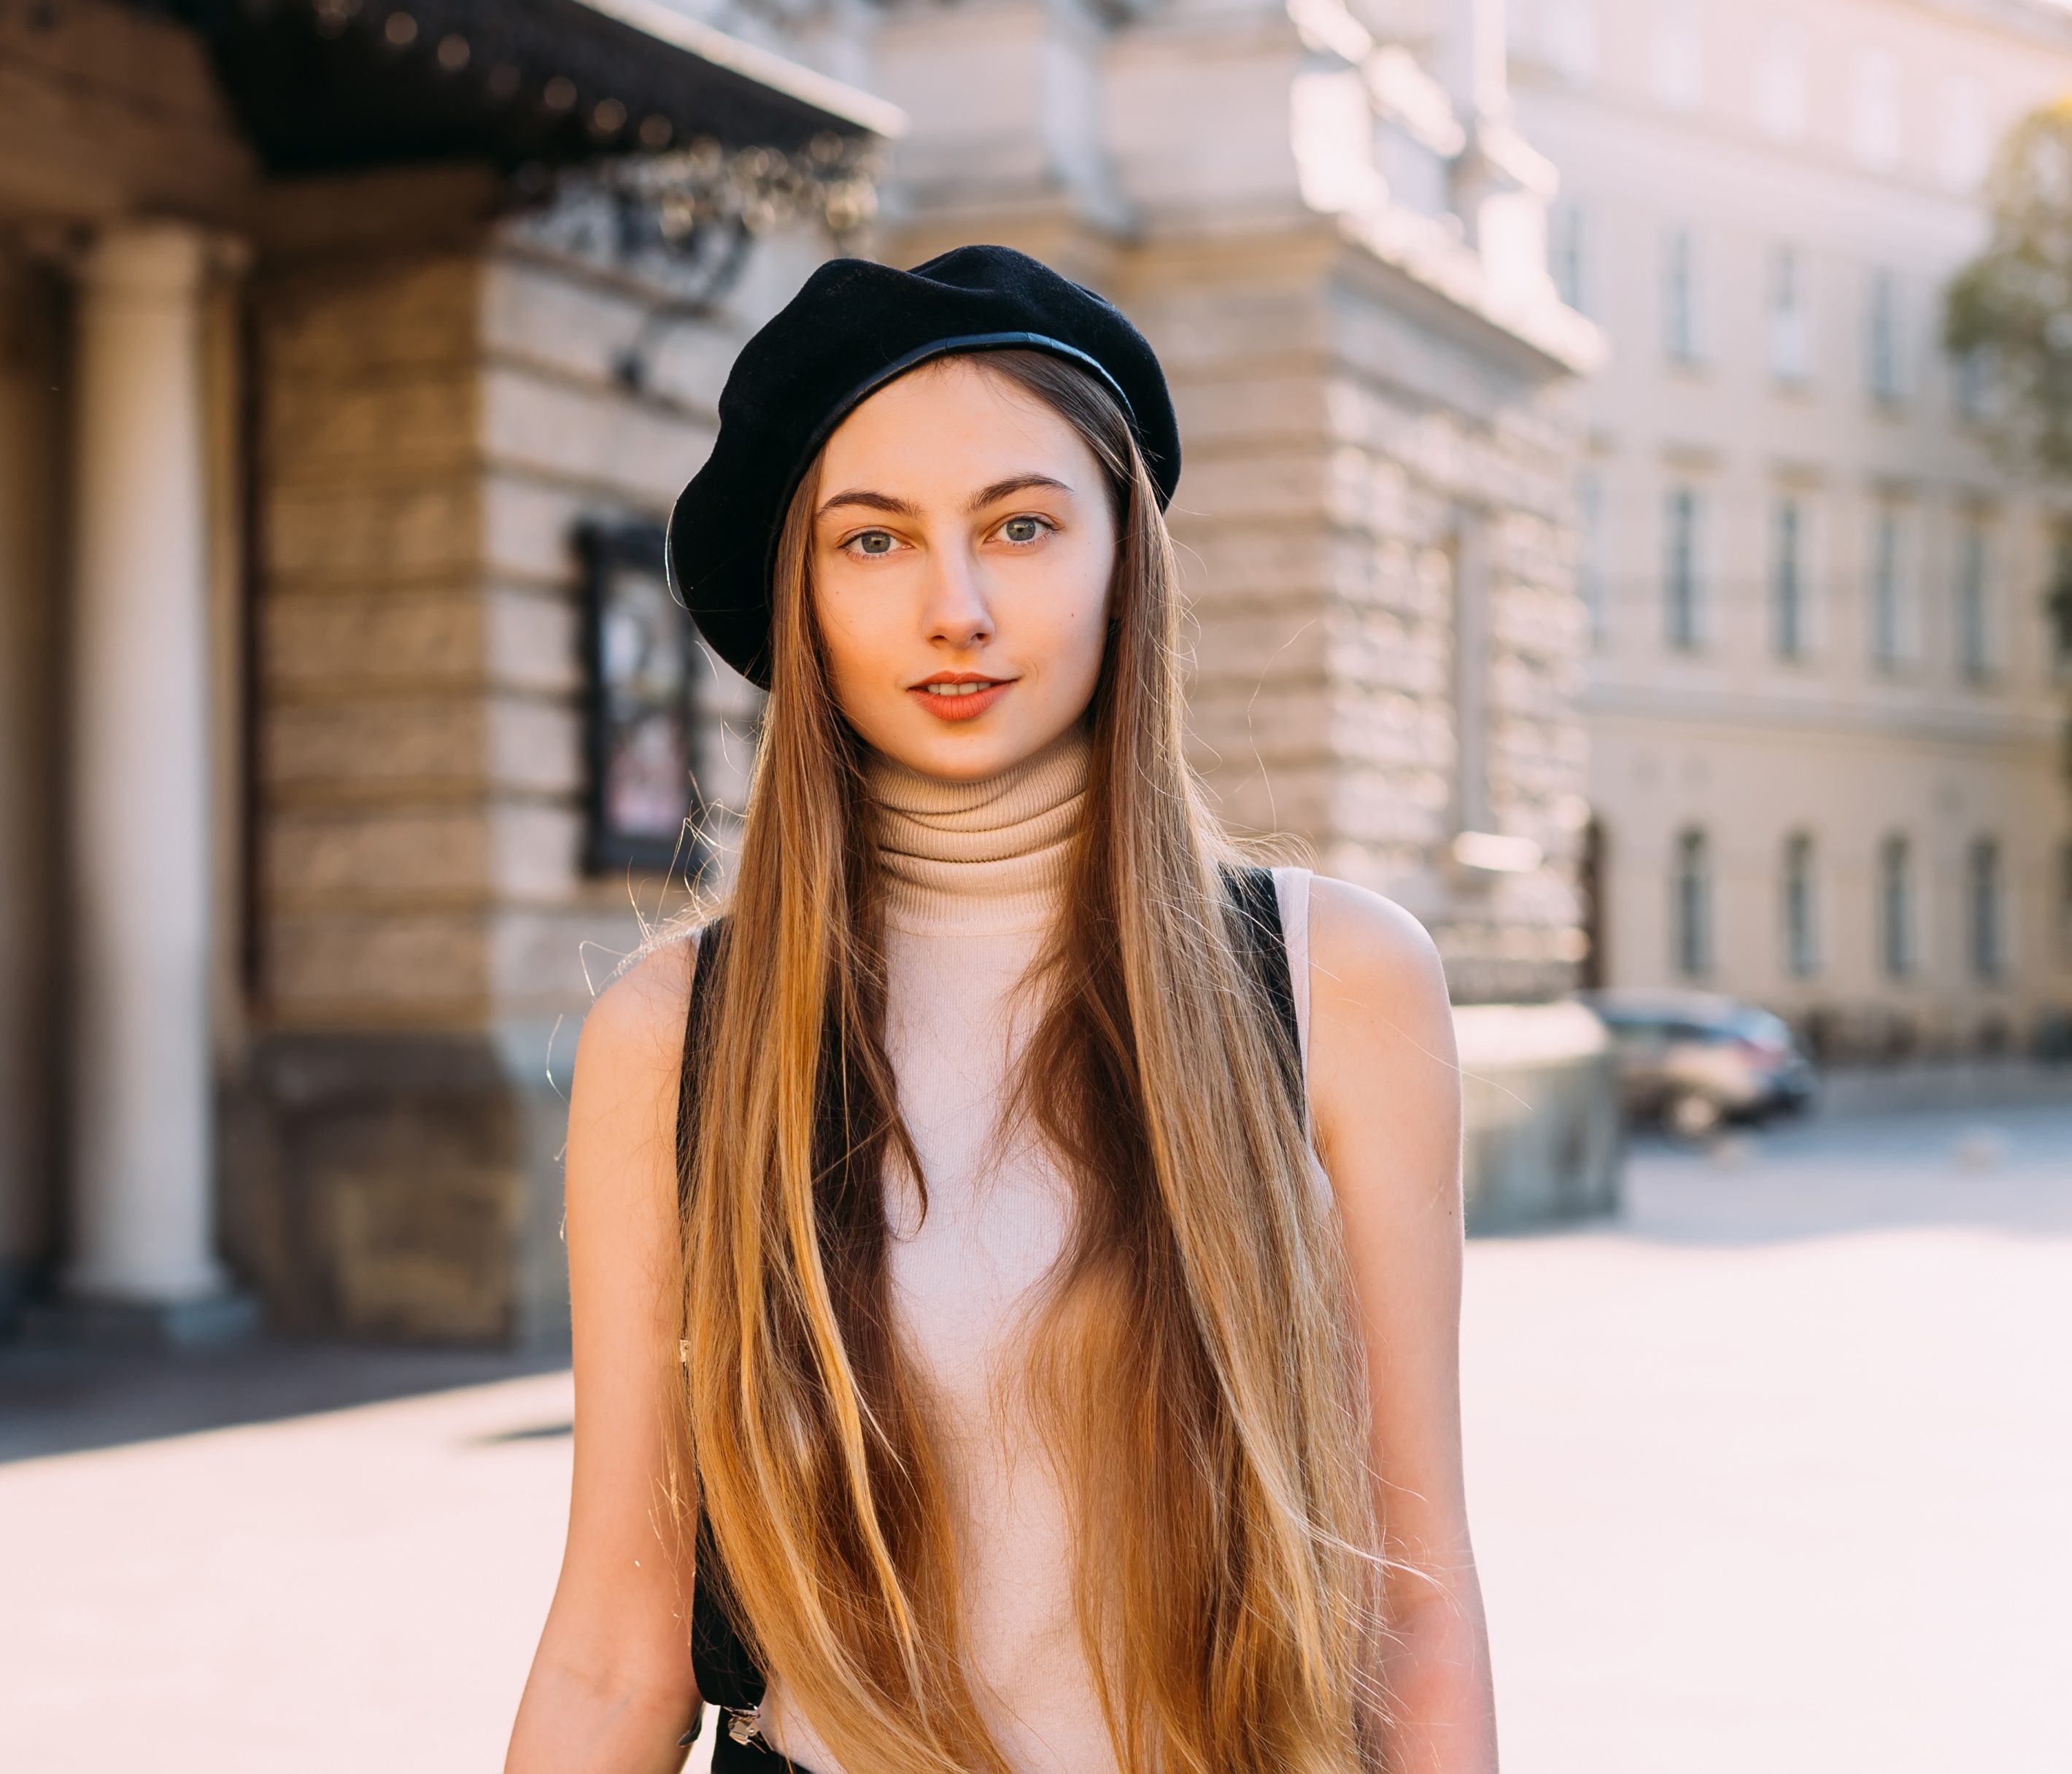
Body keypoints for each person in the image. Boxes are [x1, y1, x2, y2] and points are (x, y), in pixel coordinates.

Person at [507, 247, 1491, 1774]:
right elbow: (615, 1650)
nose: (953, 606)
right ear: (806, 598)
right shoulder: (678, 1035)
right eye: (875, 540)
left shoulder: (1334, 981)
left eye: (1021, 525)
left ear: (1123, 559)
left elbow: (1411, 1609)